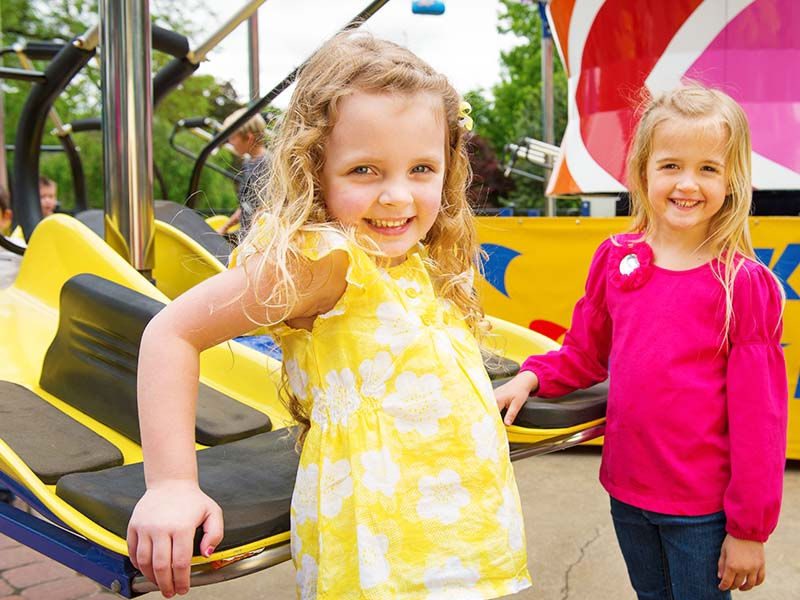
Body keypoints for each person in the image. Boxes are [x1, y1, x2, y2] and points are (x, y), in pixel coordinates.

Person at [127, 32, 531, 599]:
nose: (397, 196)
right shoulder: (325, 263)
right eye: (365, 170)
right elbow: (172, 332)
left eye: (421, 168)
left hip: (462, 538)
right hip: (379, 556)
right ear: (315, 168)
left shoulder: (412, 262)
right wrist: (170, 484)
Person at [496, 85, 787, 600]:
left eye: (708, 169)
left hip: (702, 511)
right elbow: (585, 354)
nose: (687, 184)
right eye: (671, 165)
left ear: (733, 179)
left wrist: (748, 528)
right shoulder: (616, 260)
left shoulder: (741, 284)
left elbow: (760, 420)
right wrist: (533, 375)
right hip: (627, 495)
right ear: (644, 170)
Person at [215, 108, 270, 236]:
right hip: (247, 233)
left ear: (249, 137)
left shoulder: (267, 165)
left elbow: (264, 210)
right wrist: (224, 228)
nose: (230, 142)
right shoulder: (248, 162)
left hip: (258, 238)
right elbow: (246, 205)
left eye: (233, 137)